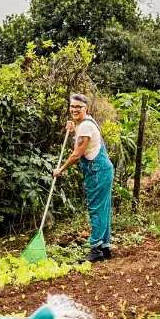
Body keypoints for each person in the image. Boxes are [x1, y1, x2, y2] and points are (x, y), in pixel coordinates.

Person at [53, 94, 114, 263]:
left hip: (97, 171)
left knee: (96, 208)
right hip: (102, 169)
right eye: (72, 106)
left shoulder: (85, 126)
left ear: (85, 108)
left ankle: (96, 249)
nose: (74, 109)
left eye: (78, 107)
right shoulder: (87, 123)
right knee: (103, 208)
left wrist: (61, 170)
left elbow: (76, 155)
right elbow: (85, 141)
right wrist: (74, 130)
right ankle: (105, 247)